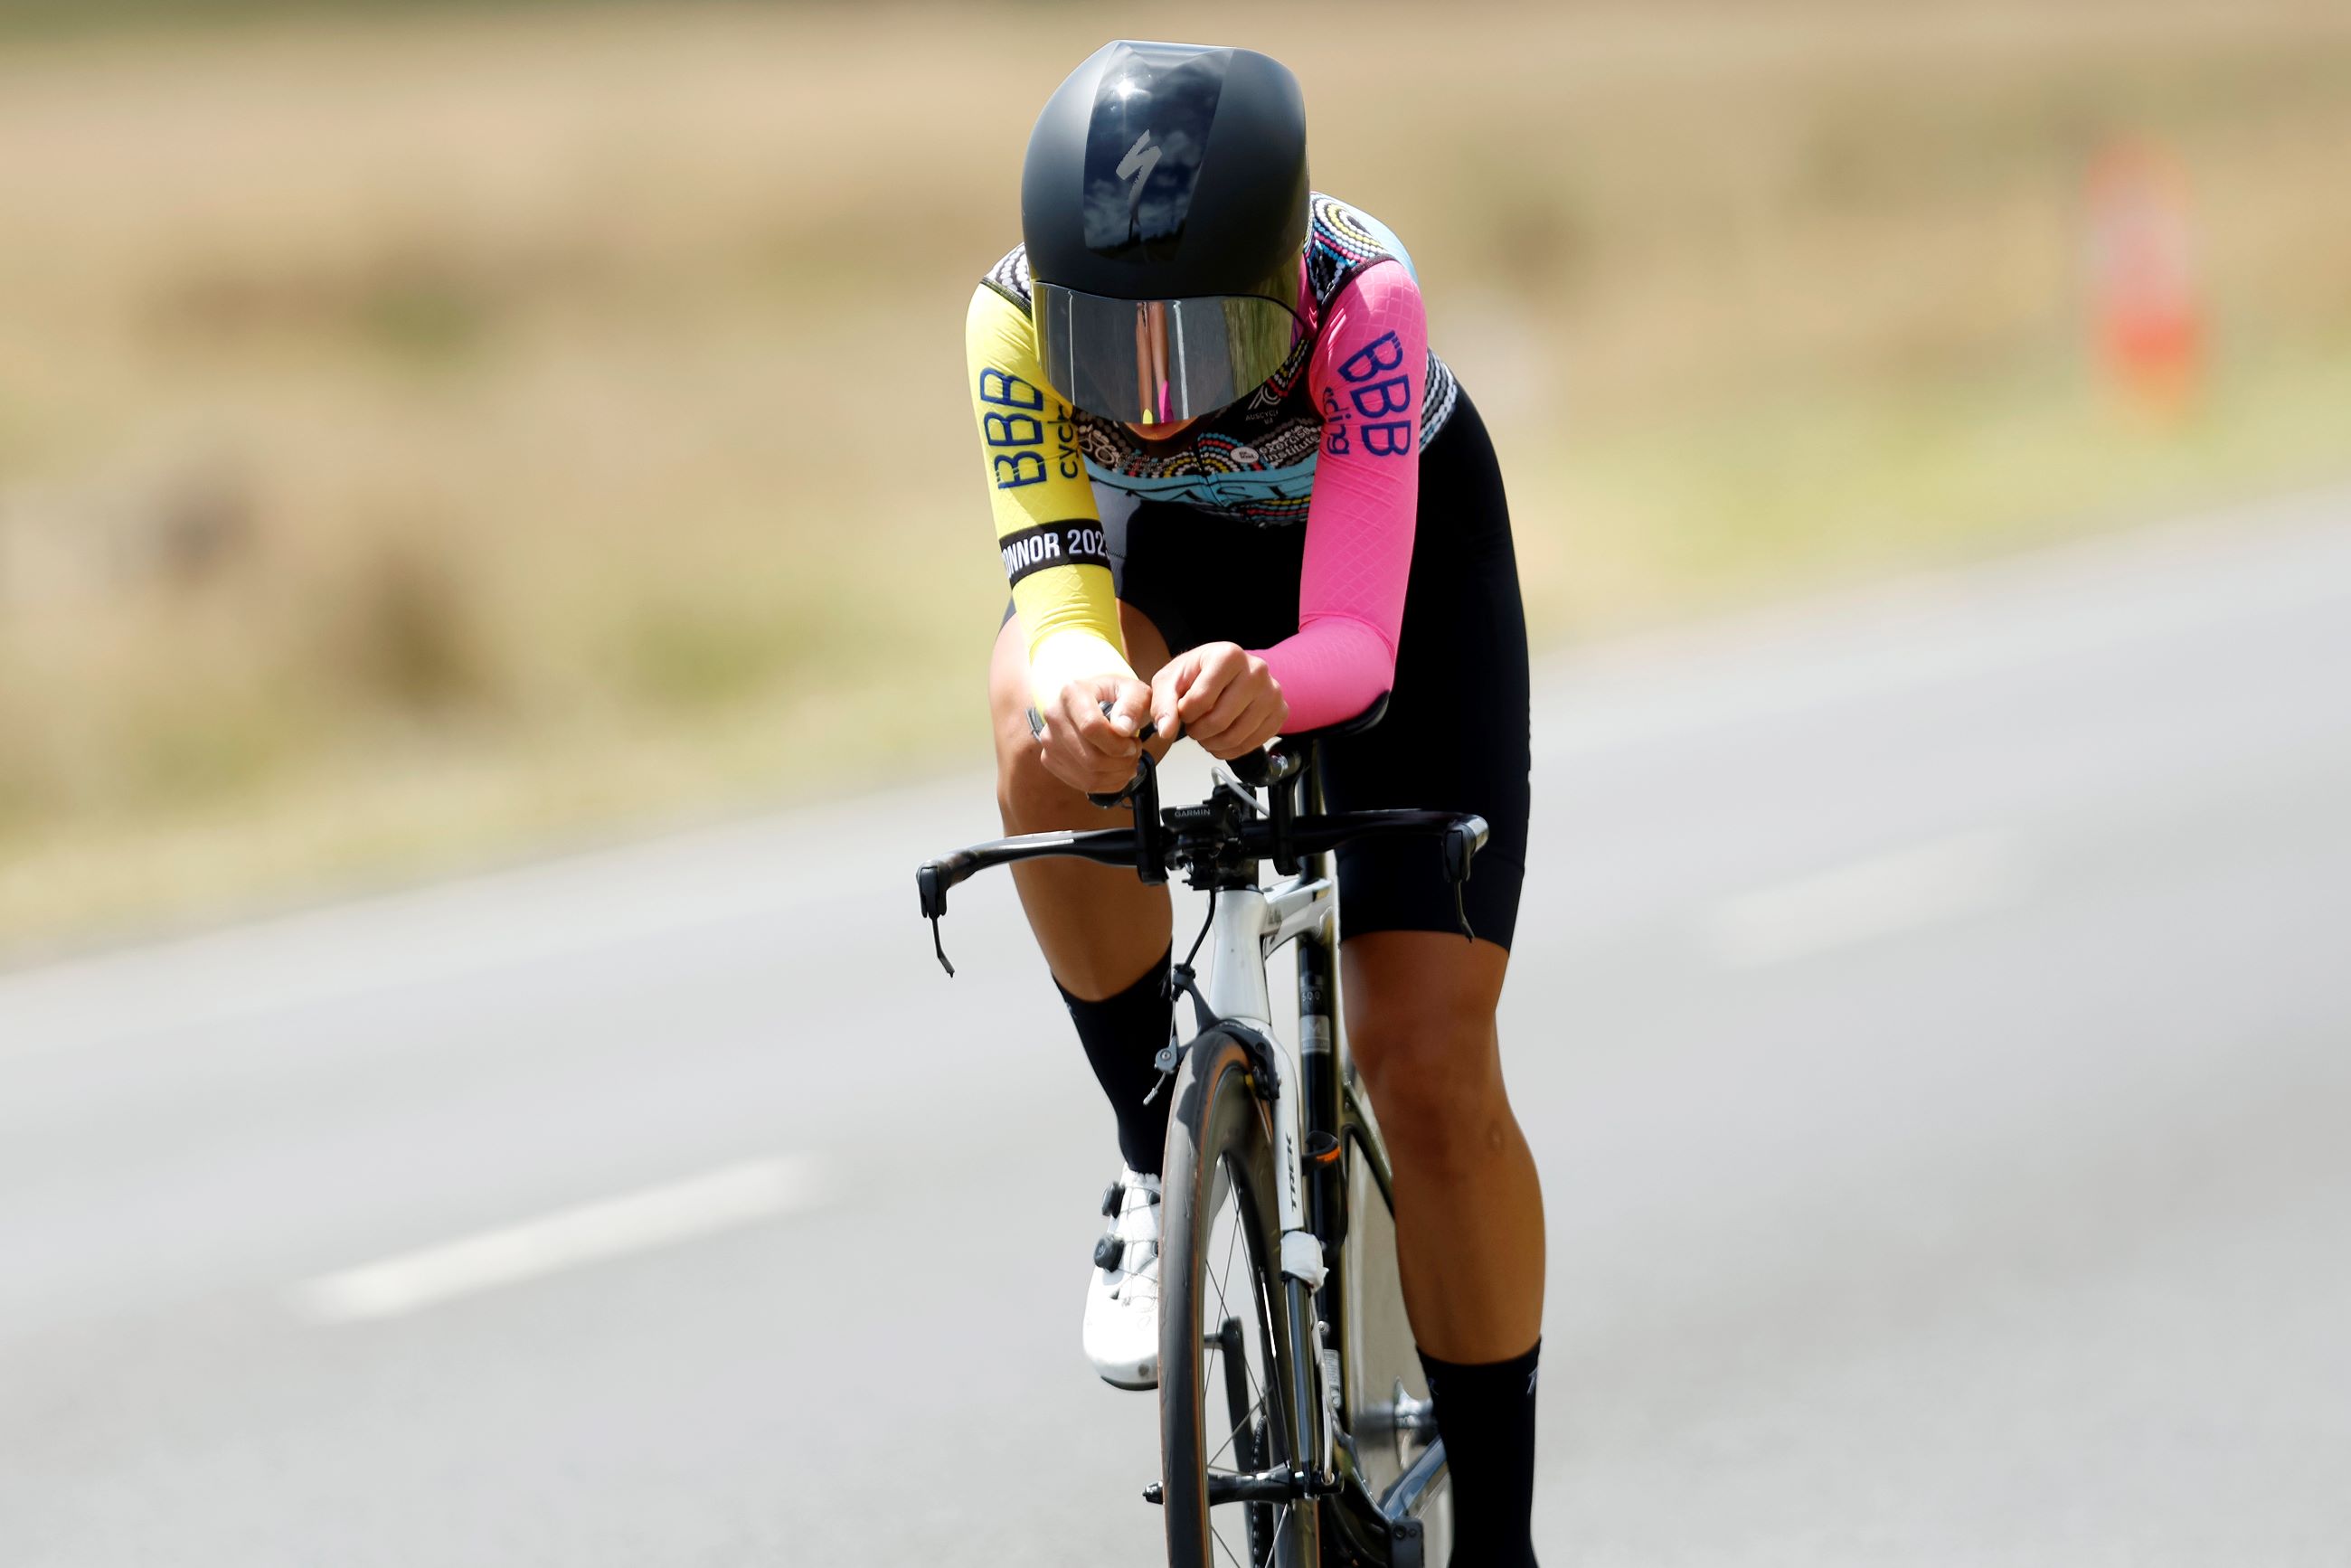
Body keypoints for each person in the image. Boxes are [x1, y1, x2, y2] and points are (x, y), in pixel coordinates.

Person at [965, 40, 1544, 1566]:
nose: (1156, 406)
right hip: (1175, 576)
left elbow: (1356, 637)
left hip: (1384, 578)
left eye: (1209, 345)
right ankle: (1154, 1122)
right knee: (1033, 719)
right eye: (1114, 350)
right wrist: (1087, 678)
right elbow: (1060, 591)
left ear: (1285, 283)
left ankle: (1506, 1542)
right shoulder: (1008, 320)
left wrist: (1274, 683)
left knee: (1427, 1063)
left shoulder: (1369, 305)